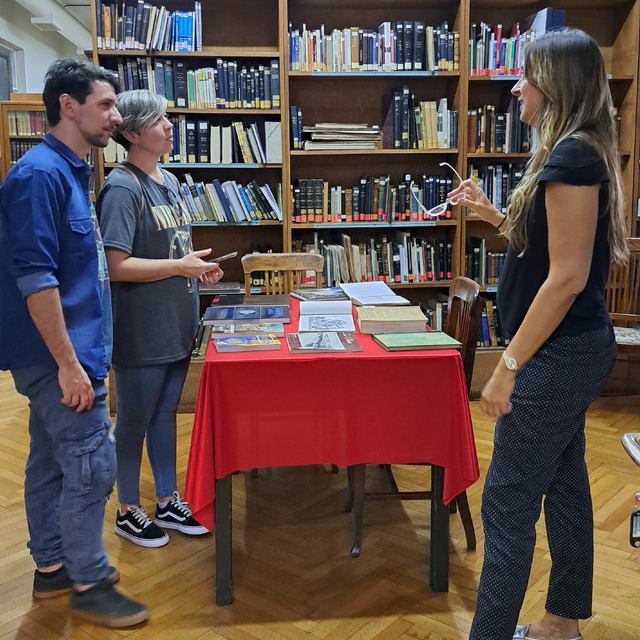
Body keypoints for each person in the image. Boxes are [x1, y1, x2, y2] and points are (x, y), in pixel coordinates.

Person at [447, 29, 629, 640]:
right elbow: (543, 251)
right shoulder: (570, 151)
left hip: (559, 353)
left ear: (554, 84)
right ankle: (561, 624)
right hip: (569, 351)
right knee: (568, 484)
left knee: (507, 501)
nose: (514, 86)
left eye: (525, 76)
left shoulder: (573, 156)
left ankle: (489, 633)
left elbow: (568, 278)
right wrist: (492, 214)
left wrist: (507, 365)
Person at [0, 59, 148, 627]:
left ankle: (54, 565)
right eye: (106, 105)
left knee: (51, 463)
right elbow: (35, 278)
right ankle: (89, 579)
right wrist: (67, 365)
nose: (116, 116)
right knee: (92, 465)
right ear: (68, 105)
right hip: (59, 358)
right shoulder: (39, 175)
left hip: (73, 353)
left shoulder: (72, 170)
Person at [96, 89, 223, 548]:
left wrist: (195, 267)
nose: (170, 126)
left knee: (166, 414)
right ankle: (128, 508)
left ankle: (167, 499)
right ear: (131, 133)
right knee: (133, 419)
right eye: (159, 120)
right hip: (141, 327)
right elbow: (116, 266)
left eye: (169, 117)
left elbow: (171, 249)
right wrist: (178, 267)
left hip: (175, 321)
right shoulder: (122, 188)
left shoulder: (167, 180)